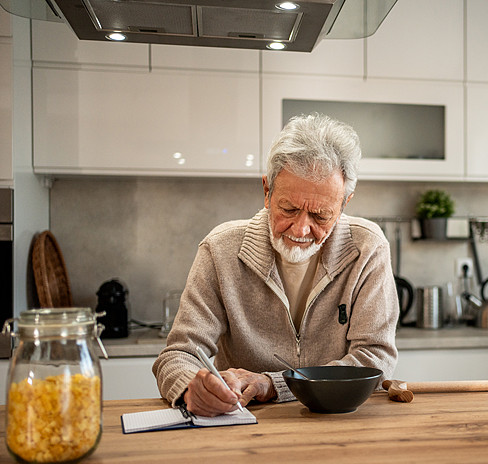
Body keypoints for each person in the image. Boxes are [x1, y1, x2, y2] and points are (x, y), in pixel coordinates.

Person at [152, 114, 399, 416]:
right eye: (289, 208)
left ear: (344, 203)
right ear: (267, 191)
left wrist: (273, 385)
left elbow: (374, 358)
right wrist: (192, 387)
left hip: (337, 423)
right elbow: (178, 354)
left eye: (321, 216)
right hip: (244, 426)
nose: (300, 229)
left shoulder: (368, 248)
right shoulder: (220, 250)